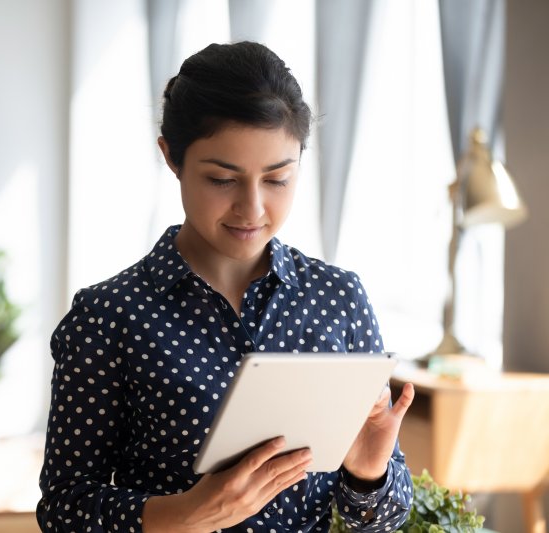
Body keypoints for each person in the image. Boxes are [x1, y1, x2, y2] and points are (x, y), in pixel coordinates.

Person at [37, 41, 416, 532]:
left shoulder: (338, 299)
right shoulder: (108, 316)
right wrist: (185, 514)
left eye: (278, 179)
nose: (252, 209)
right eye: (222, 179)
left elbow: (383, 520)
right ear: (171, 157)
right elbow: (64, 507)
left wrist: (369, 472)